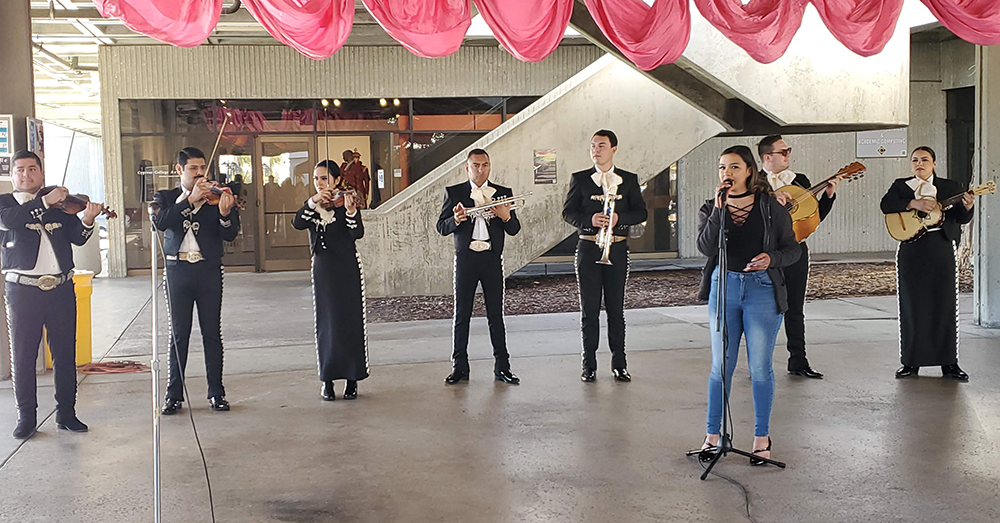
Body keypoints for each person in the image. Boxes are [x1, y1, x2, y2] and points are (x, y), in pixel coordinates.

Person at [696, 145, 800, 465]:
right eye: (722, 167)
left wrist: (772, 258)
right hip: (723, 287)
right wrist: (718, 210)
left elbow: (792, 250)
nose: (726, 173)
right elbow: (704, 246)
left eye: (734, 167)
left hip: (762, 291)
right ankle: (713, 435)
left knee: (759, 368)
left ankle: (761, 437)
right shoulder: (711, 207)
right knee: (720, 367)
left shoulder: (770, 207)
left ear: (749, 171)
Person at [1, 150, 101, 439]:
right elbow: (9, 222)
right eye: (20, 170)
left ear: (41, 174)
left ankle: (67, 414)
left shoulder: (60, 207)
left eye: (32, 169)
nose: (26, 174)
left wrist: (88, 220)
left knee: (65, 353)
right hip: (23, 291)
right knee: (24, 356)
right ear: (12, 175)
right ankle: (27, 417)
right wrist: (44, 201)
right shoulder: (5, 205)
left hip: (60, 288)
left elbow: (77, 238)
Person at [152, 147, 240, 415]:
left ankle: (217, 393)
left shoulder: (217, 195)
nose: (200, 173)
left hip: (208, 270)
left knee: (212, 332)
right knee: (179, 334)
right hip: (177, 270)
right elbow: (161, 223)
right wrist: (189, 200)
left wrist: (225, 215)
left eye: (202, 168)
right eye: (193, 168)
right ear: (179, 170)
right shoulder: (166, 197)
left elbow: (230, 234)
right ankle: (173, 395)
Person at [880, 146, 973, 381]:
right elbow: (886, 205)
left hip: (940, 246)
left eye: (924, 160)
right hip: (912, 249)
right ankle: (911, 362)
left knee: (945, 304)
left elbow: (961, 218)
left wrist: (968, 206)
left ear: (934, 163)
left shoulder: (951, 187)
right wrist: (913, 203)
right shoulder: (901, 186)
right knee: (912, 304)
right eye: (915, 160)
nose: (919, 163)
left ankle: (949, 363)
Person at [562, 130, 647, 382]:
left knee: (616, 310)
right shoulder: (580, 179)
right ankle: (589, 365)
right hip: (588, 247)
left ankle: (619, 364)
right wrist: (589, 219)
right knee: (589, 310)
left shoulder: (628, 180)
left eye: (601, 145)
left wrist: (619, 218)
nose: (595, 150)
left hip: (617, 248)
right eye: (592, 146)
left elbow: (640, 212)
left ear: (614, 149)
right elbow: (568, 212)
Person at [436, 149, 521, 385]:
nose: (480, 169)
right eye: (475, 165)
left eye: (484, 165)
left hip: (492, 259)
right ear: (467, 168)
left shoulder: (503, 193)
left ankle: (502, 367)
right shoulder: (454, 193)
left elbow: (514, 229)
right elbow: (441, 227)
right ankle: (459, 367)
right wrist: (456, 220)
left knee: (496, 315)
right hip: (466, 259)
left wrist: (506, 217)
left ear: (490, 166)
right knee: (462, 314)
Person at [758, 135, 839, 379]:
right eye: (783, 151)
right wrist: (771, 201)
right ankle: (759, 363)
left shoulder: (800, 181)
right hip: (764, 252)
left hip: (795, 250)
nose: (788, 155)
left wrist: (828, 196)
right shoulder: (754, 183)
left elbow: (812, 218)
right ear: (767, 157)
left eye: (788, 150)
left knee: (795, 307)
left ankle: (798, 360)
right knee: (762, 308)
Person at [292, 160, 368, 400]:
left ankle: (352, 379)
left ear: (336, 180)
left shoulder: (345, 202)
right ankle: (327, 379)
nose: (319, 183)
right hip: (323, 269)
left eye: (324, 178)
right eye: (316, 179)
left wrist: (351, 211)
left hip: (346, 268)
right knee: (326, 324)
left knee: (350, 321)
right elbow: (298, 222)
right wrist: (314, 201)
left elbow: (357, 232)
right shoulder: (313, 207)